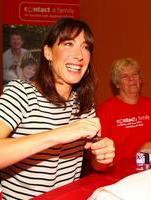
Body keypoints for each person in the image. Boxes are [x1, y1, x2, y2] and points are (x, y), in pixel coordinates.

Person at [0, 18, 115, 199]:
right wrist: (58, 134)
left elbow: (94, 164)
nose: (79, 55)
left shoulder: (84, 102)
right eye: (69, 43)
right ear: (48, 52)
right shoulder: (21, 92)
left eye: (85, 47)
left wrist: (101, 157)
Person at [97, 57, 151, 164]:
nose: (131, 79)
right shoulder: (106, 109)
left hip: (147, 169)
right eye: (125, 76)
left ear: (140, 80)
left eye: (134, 75)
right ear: (117, 84)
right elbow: (98, 151)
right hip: (118, 173)